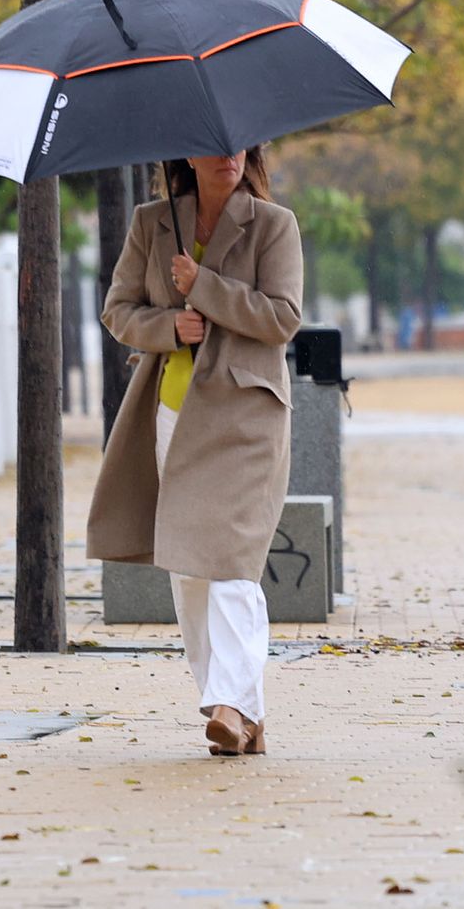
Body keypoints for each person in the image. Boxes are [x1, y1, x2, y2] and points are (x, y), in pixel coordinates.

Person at [87, 145, 303, 756]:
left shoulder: (273, 224)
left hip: (246, 418)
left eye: (239, 146)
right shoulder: (152, 223)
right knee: (188, 566)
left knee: (230, 560)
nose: (229, 156)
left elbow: (282, 317)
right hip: (174, 411)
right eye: (213, 146)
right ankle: (238, 712)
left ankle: (231, 706)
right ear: (187, 153)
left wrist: (202, 287)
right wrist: (169, 326)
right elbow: (118, 311)